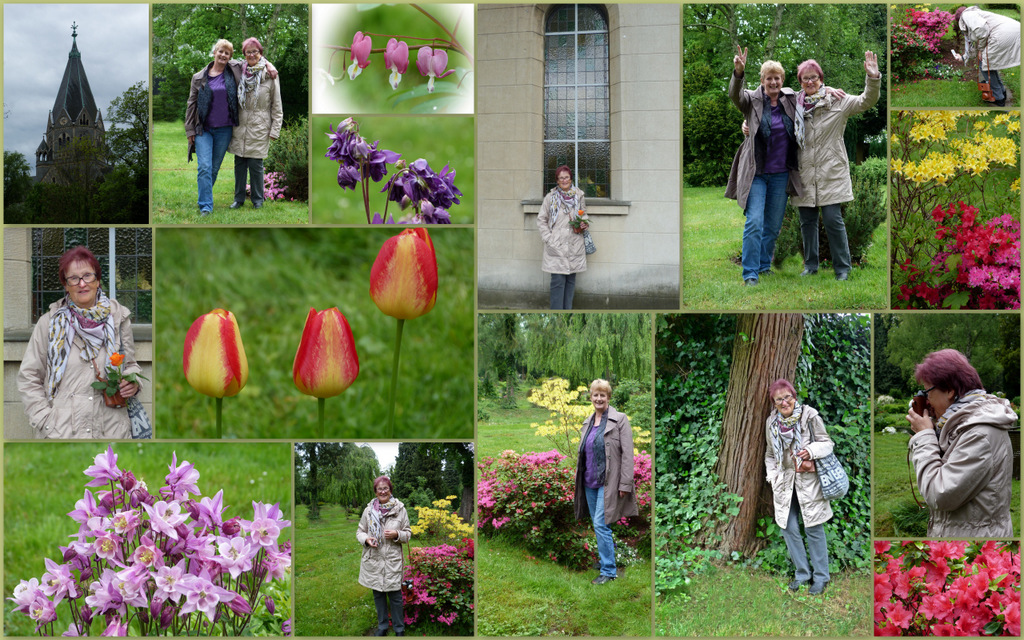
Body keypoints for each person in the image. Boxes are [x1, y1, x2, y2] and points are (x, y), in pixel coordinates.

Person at [17, 246, 141, 439]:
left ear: (97, 280)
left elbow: (131, 365)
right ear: (66, 285)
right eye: (73, 278)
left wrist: (133, 383)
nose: (82, 284)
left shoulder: (118, 319)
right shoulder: (48, 323)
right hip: (61, 433)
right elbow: (29, 377)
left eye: (87, 276)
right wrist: (44, 420)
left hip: (111, 431)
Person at [789, 52, 880, 281]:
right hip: (804, 172)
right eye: (804, 79)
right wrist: (745, 123)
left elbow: (866, 101)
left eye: (813, 77)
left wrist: (873, 77)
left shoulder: (838, 100)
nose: (809, 82)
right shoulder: (792, 106)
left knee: (832, 219)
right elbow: (767, 105)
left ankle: (843, 268)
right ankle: (810, 266)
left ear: (821, 78)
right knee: (807, 222)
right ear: (800, 82)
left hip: (831, 171)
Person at [905, 349, 1016, 537]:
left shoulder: (980, 433)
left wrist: (925, 437)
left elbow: (939, 494)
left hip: (976, 545)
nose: (926, 400)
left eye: (928, 391)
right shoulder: (963, 424)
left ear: (950, 390)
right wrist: (935, 431)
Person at [725, 48, 802, 287]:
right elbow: (735, 96)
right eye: (769, 78)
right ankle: (750, 273)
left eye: (777, 77)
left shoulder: (790, 99)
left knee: (773, 225)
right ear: (762, 81)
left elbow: (812, 93)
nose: (773, 81)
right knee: (755, 222)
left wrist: (828, 89)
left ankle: (764, 266)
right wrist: (738, 72)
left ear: (782, 80)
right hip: (756, 173)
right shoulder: (752, 99)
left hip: (781, 173)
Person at [764, 379, 833, 595]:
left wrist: (811, 451)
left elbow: (827, 443)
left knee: (813, 527)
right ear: (774, 404)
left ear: (794, 397)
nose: (784, 402)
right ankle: (802, 574)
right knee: (788, 527)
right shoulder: (771, 423)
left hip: (808, 480)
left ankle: (821, 577)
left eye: (787, 397)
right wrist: (772, 476)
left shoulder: (809, 416)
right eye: (778, 400)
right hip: (784, 482)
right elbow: (769, 453)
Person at [573, 379, 637, 585]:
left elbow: (628, 454)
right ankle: (605, 560)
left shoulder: (620, 420)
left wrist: (625, 484)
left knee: (601, 524)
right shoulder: (588, 422)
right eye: (595, 395)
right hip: (589, 480)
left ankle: (609, 570)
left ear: (608, 397)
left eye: (603, 395)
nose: (599, 398)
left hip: (608, 482)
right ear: (590, 397)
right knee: (598, 524)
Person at [186, 39, 242, 216]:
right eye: (221, 51)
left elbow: (256, 57)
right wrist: (190, 130)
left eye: (227, 53)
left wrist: (271, 67)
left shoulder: (234, 71)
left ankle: (204, 197)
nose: (223, 55)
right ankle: (205, 206)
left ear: (230, 57)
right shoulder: (199, 77)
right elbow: (191, 104)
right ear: (214, 53)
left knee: (214, 168)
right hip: (203, 128)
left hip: (224, 128)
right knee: (204, 167)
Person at [228, 37, 283, 210]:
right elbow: (222, 58)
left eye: (255, 51)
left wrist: (275, 130)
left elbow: (277, 104)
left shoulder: (270, 75)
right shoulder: (238, 71)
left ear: (260, 54)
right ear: (244, 54)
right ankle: (239, 199)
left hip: (260, 126)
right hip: (240, 125)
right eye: (248, 52)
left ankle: (258, 200)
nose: (252, 54)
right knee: (240, 163)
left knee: (255, 164)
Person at [357, 476, 412, 636]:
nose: (382, 491)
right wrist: (366, 539)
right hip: (374, 559)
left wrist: (397, 534)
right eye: (379, 489)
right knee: (378, 595)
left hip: (392, 560)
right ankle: (382, 627)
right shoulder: (368, 511)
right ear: (375, 491)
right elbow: (360, 531)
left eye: (385, 488)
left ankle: (399, 629)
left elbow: (408, 533)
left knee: (395, 597)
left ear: (390, 490)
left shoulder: (400, 509)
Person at [537, 165, 588, 309]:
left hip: (574, 244)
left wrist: (584, 222)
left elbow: (583, 213)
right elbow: (541, 220)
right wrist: (549, 239)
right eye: (561, 178)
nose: (564, 180)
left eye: (566, 177)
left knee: (570, 283)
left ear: (571, 178)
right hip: (556, 246)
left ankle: (568, 315)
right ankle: (557, 316)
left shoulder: (579, 195)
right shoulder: (550, 198)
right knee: (558, 283)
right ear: (557, 181)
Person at [952, 6, 1020, 107]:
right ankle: (1002, 92)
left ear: (960, 19)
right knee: (989, 64)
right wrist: (963, 58)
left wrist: (981, 50)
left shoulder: (967, 15)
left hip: (1001, 34)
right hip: (1015, 30)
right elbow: (974, 43)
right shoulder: (976, 14)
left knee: (984, 66)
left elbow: (982, 31)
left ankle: (999, 98)